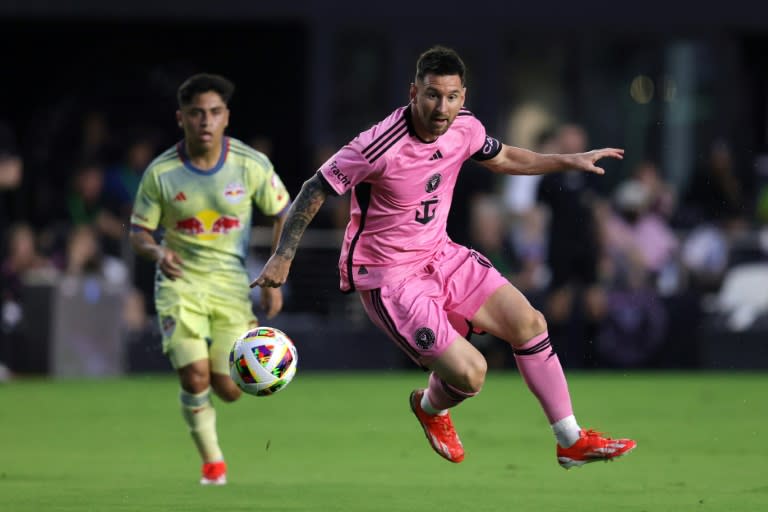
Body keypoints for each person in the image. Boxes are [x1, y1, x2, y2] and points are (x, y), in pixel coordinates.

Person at [253, 46, 636, 467]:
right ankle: (430, 408)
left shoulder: (465, 128)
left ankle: (570, 440)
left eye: (452, 97)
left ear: (463, 96)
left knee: (530, 323)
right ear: (413, 91)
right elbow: (315, 188)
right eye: (433, 95)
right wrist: (282, 256)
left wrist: (567, 161)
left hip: (441, 254)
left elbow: (504, 156)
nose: (442, 107)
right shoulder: (377, 144)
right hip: (389, 276)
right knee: (471, 374)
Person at [129, 73, 290, 485]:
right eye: (196, 113)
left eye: (214, 112)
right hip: (179, 284)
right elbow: (138, 232)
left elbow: (283, 211)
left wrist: (275, 272)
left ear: (226, 117)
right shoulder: (161, 173)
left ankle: (218, 417)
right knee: (194, 375)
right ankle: (213, 463)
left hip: (231, 287)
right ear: (180, 118)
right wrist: (157, 251)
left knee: (229, 387)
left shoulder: (249, 164)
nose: (206, 121)